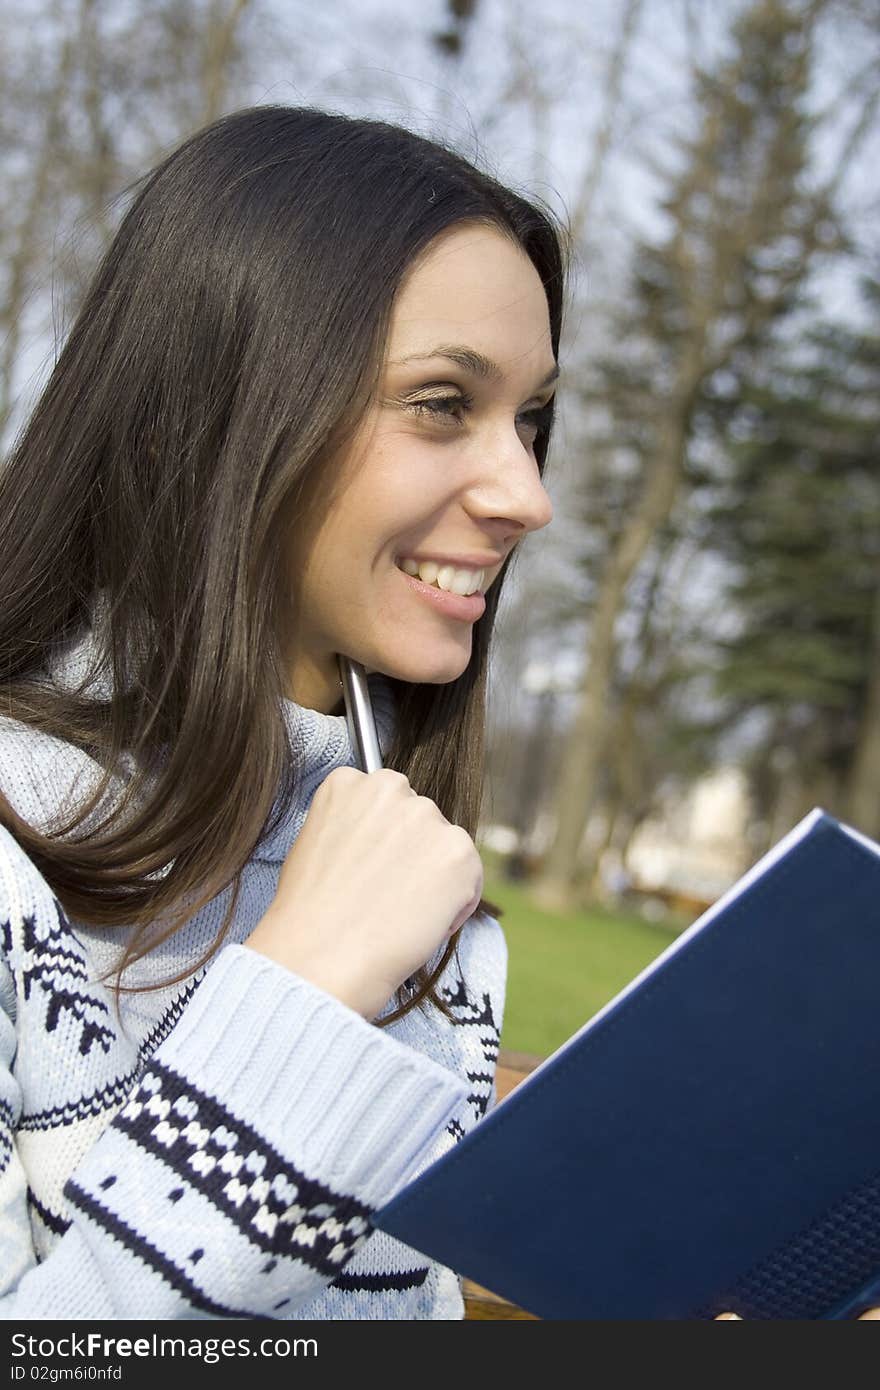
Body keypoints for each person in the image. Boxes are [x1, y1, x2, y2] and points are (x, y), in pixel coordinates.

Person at [0, 103, 565, 1319]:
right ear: (213, 407)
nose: (526, 493)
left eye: (528, 420)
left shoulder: (414, 875)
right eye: (438, 403)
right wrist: (301, 995)